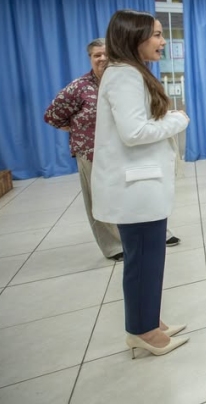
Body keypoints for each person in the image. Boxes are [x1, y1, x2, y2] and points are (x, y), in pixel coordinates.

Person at [91, 10, 190, 357]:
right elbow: (134, 133)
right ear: (135, 37)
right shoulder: (124, 76)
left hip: (141, 184)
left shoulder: (129, 72)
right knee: (144, 259)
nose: (164, 42)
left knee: (148, 259)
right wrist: (177, 120)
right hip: (135, 186)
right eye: (158, 35)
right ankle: (142, 331)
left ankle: (147, 320)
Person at [44, 38, 122, 260]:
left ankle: (136, 236)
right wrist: (77, 130)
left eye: (107, 54)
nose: (103, 58)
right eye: (97, 55)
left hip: (121, 150)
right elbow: (52, 115)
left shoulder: (120, 82)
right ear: (91, 58)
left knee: (125, 196)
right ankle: (113, 246)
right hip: (90, 152)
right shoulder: (79, 87)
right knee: (98, 200)